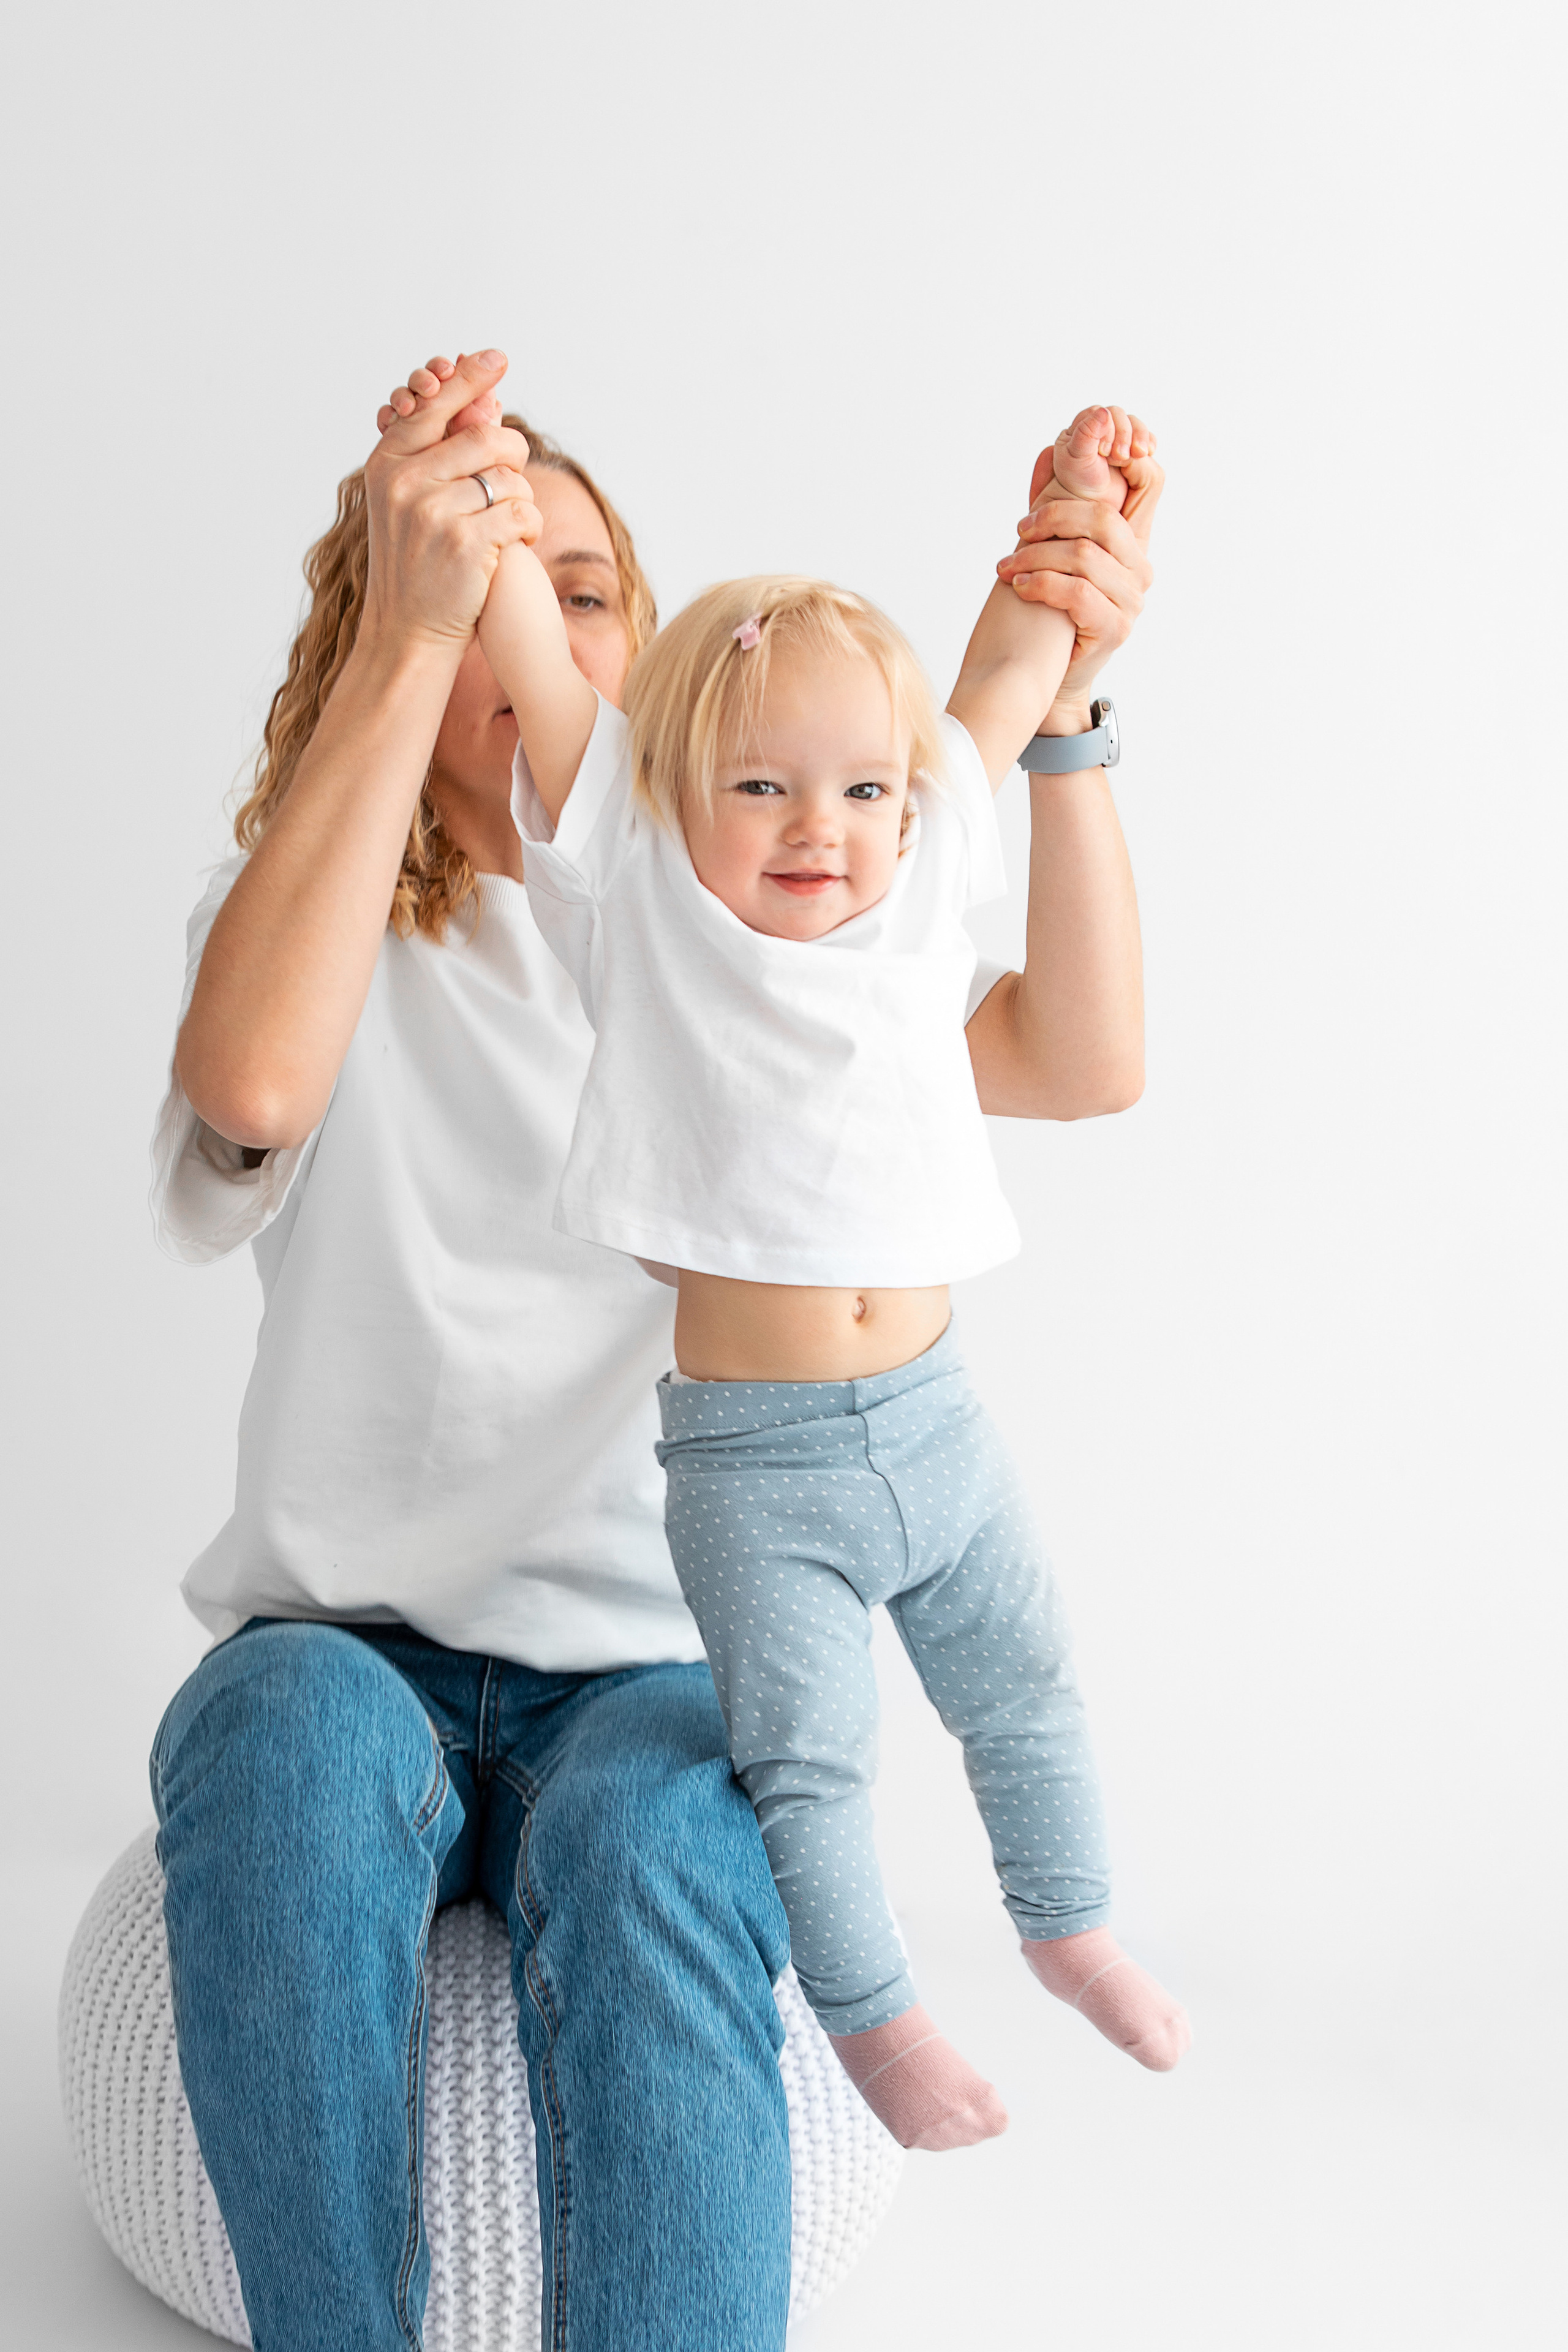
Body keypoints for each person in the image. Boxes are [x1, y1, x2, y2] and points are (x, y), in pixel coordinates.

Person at [149, 349, 1162, 2351]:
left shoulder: (743, 944)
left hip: (655, 1648)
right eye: (504, 581)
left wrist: (1076, 716)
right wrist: (417, 605)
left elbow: (1073, 1055)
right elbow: (257, 1073)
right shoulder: (319, 922)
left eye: (587, 591)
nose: (544, 621)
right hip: (351, 1649)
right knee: (277, 1746)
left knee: (667, 1834)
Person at [468, 400, 1187, 2159]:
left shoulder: (927, 867)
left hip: (936, 1421)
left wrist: (1075, 506)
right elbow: (549, 687)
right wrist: (476, 493)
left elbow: (1014, 666)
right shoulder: (635, 889)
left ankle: (1071, 1920)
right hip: (757, 1467)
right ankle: (876, 2029)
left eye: (862, 789)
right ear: (668, 794)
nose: (823, 827)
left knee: (1025, 1682)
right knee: (807, 1765)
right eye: (765, 787)